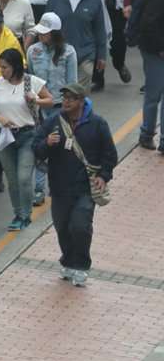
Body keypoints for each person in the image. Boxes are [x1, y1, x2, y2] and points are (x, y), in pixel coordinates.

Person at [33, 83, 116, 288]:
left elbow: (110, 155)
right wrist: (47, 143)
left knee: (80, 226)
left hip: (85, 188)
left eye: (71, 98)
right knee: (62, 227)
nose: (66, 101)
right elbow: (36, 148)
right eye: (65, 97)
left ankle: (81, 265)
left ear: (81, 101)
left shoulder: (97, 124)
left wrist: (103, 176)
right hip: (59, 187)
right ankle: (68, 261)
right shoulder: (53, 122)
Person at [0, 49, 53, 231]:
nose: (2, 71)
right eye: (0, 67)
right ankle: (18, 213)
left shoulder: (31, 82)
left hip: (28, 134)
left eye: (5, 67)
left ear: (15, 66)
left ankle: (26, 214)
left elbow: (50, 100)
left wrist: (36, 100)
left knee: (23, 177)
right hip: (5, 136)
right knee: (12, 179)